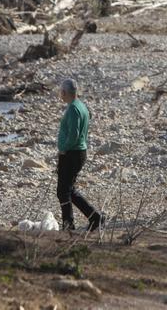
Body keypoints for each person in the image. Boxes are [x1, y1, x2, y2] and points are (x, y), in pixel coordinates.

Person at [56, 78, 104, 232]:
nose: (60, 94)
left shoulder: (73, 109)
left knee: (63, 191)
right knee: (69, 190)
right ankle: (95, 217)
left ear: (64, 92)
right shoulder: (81, 106)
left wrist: (63, 148)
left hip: (72, 153)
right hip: (78, 152)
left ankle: (69, 225)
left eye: (61, 92)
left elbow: (74, 135)